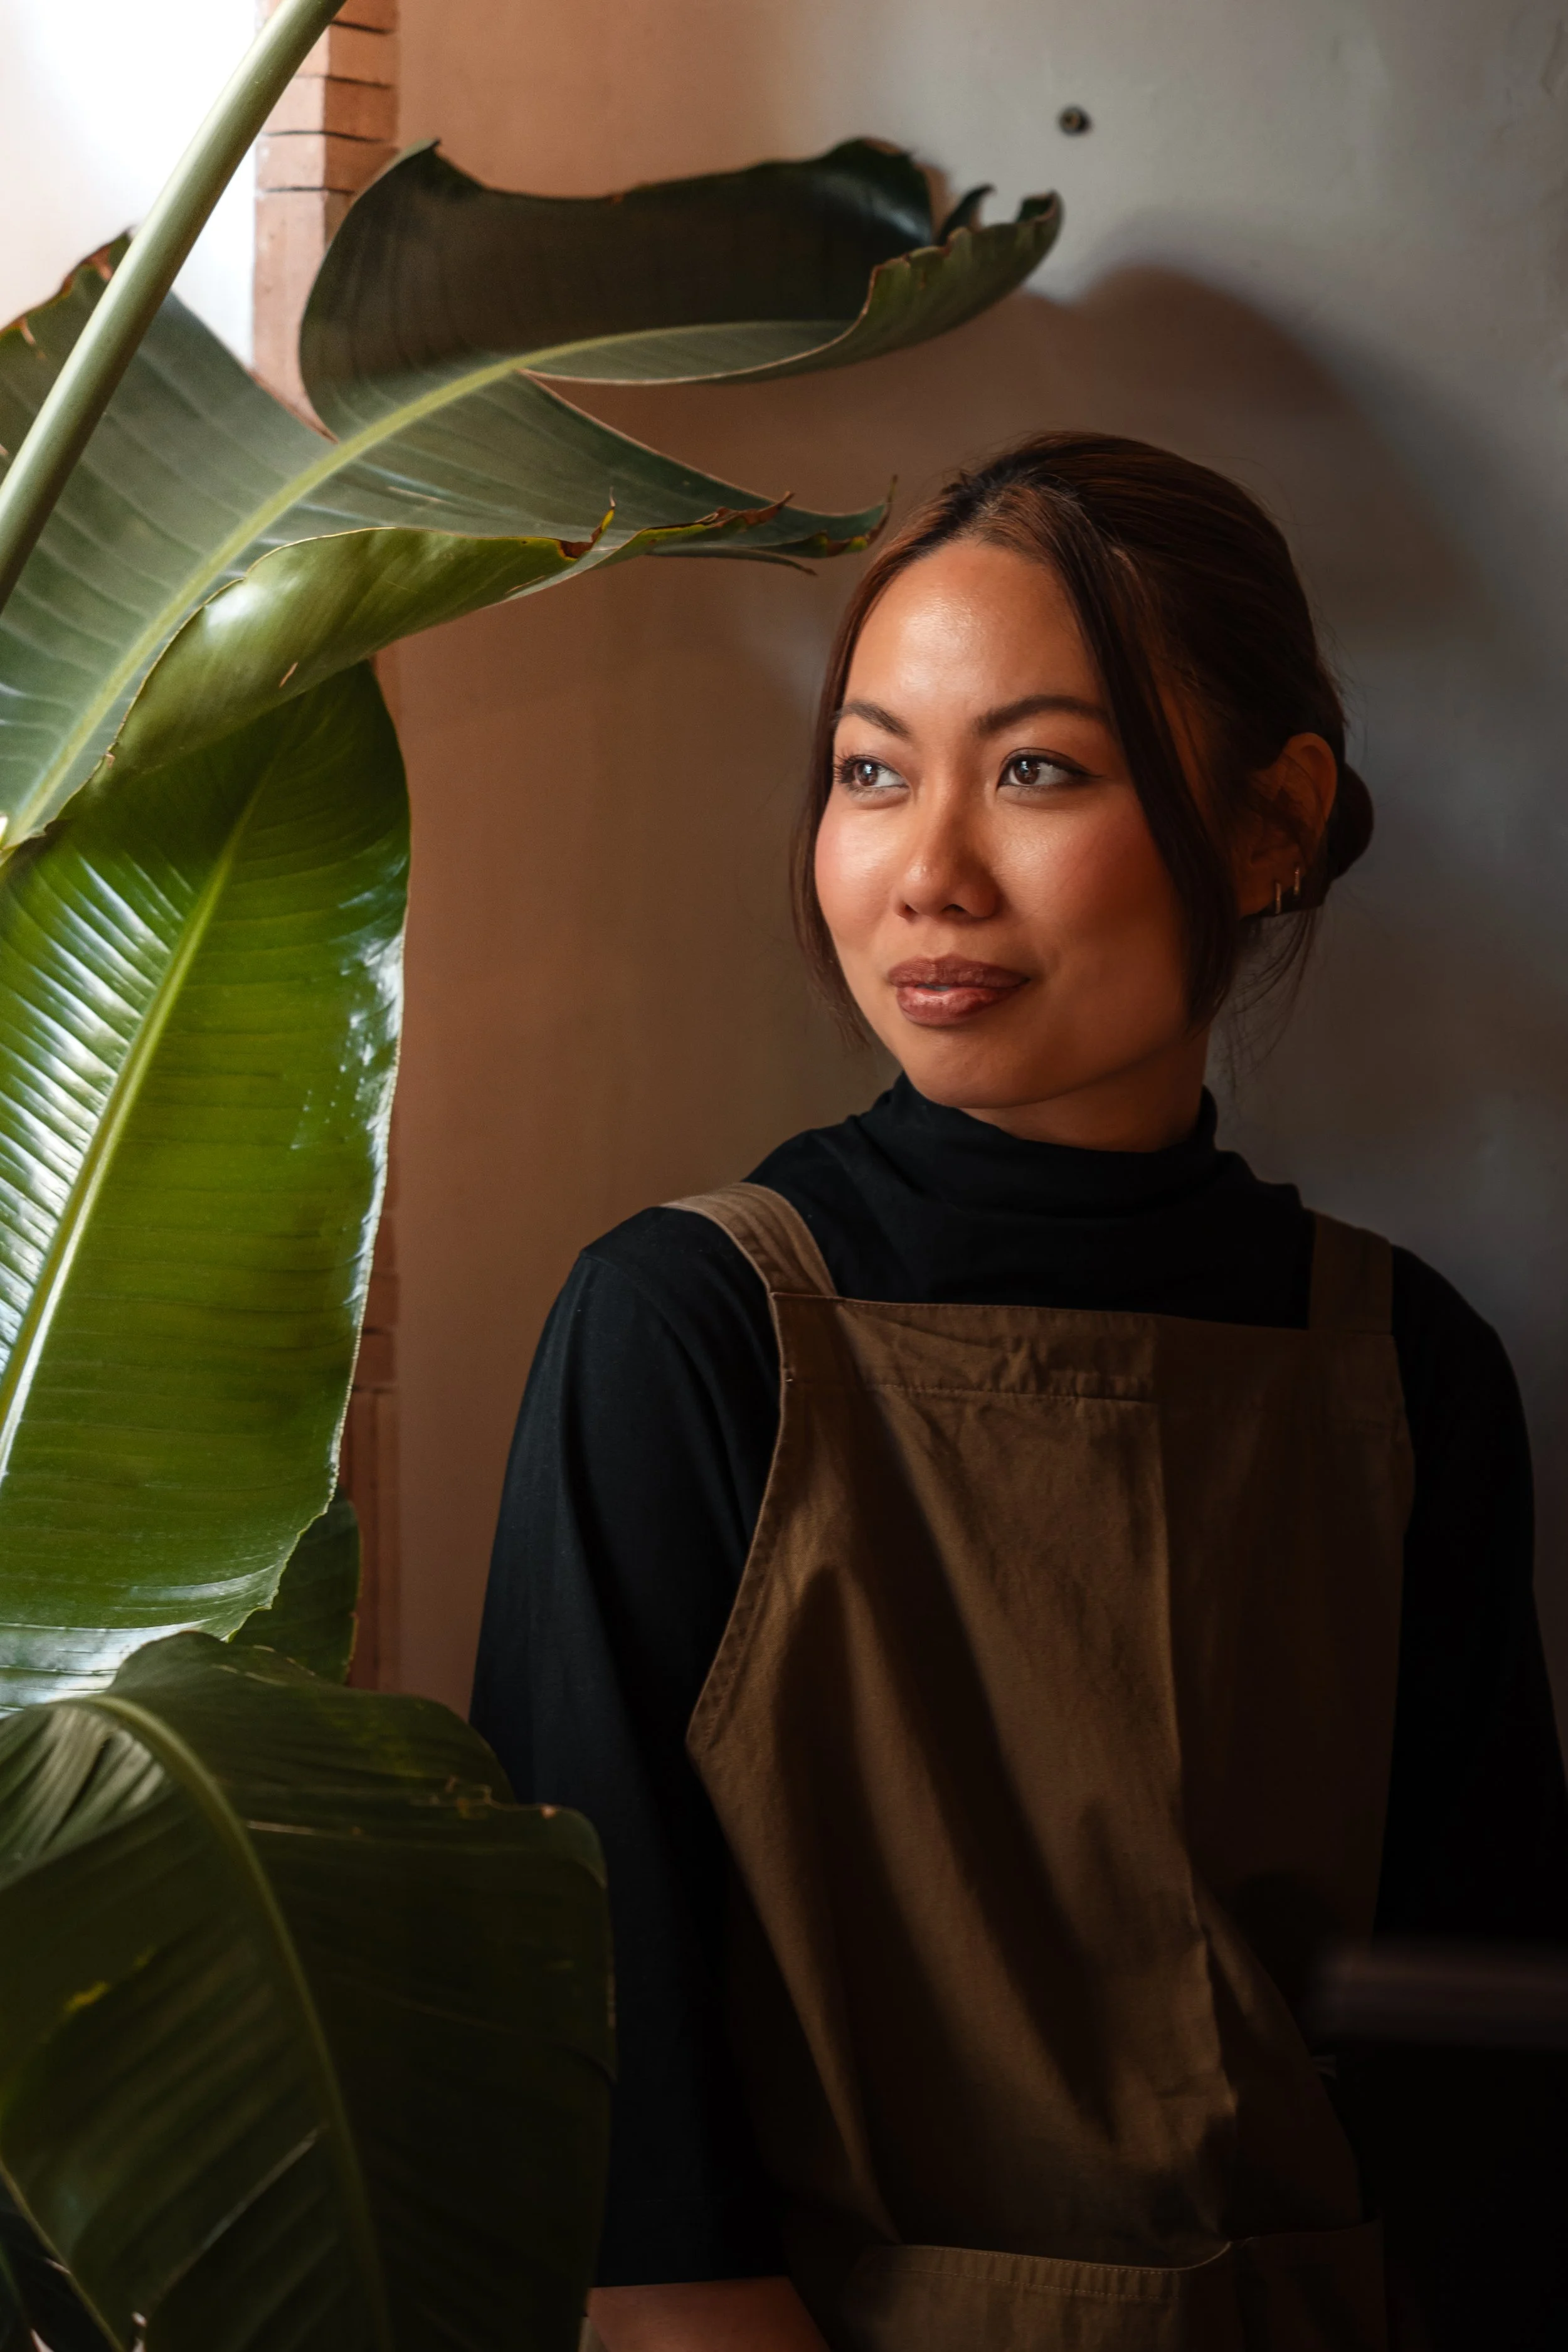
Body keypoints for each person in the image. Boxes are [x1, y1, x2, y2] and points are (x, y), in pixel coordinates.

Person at [472, 433, 1568, 2352]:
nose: (926, 871)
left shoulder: (1408, 1370)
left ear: (1267, 823)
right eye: (871, 772)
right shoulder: (685, 1332)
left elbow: (1481, 2072)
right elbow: (607, 2137)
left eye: (1036, 770)